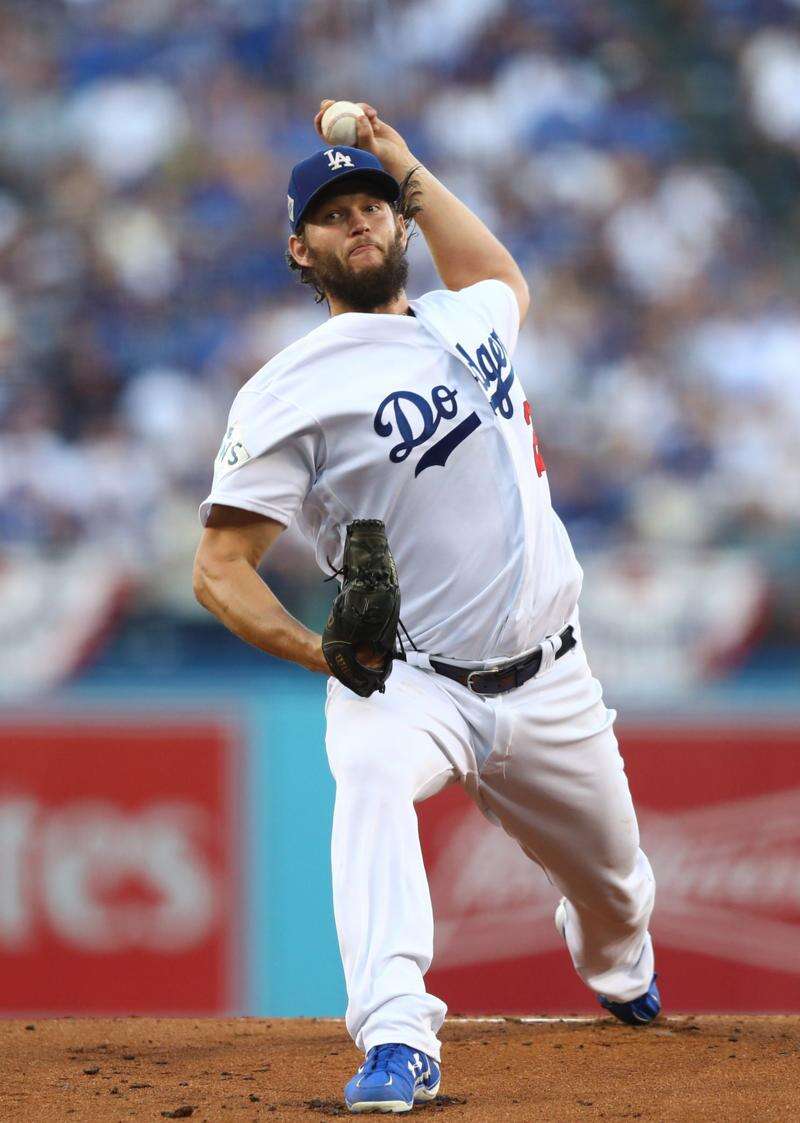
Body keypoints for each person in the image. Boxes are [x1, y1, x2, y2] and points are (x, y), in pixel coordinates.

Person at [193, 100, 659, 1115]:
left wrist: (400, 159)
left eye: (369, 205)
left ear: (399, 222)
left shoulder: (467, 313)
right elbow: (219, 569)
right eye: (331, 215)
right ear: (298, 252)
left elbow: (498, 272)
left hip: (553, 679)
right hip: (408, 681)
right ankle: (397, 1036)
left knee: (619, 897)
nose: (356, 220)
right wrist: (321, 653)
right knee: (363, 775)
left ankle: (618, 967)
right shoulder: (286, 389)